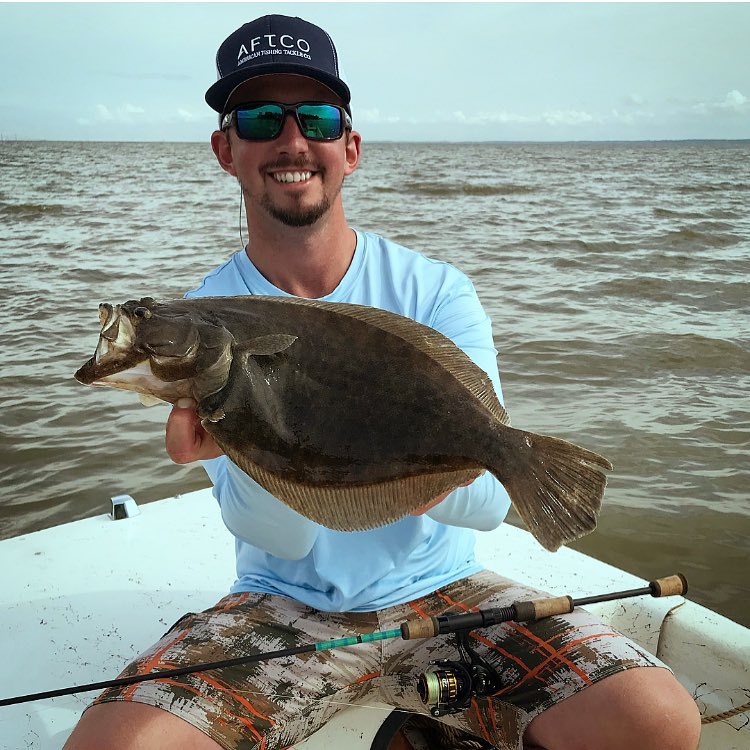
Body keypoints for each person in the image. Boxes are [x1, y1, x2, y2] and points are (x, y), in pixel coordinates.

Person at [65, 14, 701, 750]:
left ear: (351, 147)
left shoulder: (434, 291)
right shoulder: (209, 312)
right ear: (225, 149)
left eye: (320, 119)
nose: (293, 140)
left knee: (658, 721)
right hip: (280, 604)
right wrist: (235, 443)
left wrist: (404, 449)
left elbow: (494, 501)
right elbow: (280, 537)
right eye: (262, 118)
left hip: (449, 591)